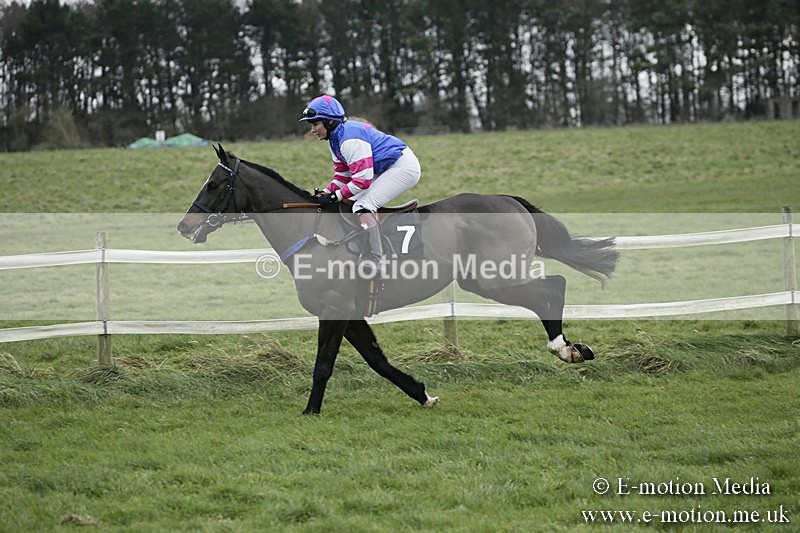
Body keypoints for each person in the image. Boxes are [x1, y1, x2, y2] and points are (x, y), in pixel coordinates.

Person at [299, 95, 421, 271]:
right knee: (351, 201)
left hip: (403, 167)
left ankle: (376, 259)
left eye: (315, 124)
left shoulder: (349, 140)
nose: (312, 130)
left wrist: (334, 196)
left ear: (329, 122)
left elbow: (362, 182)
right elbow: (342, 176)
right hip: (384, 168)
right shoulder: (335, 139)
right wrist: (326, 192)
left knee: (362, 206)